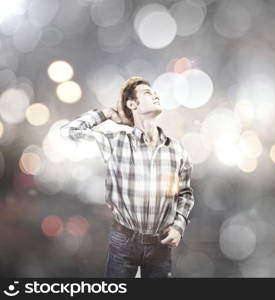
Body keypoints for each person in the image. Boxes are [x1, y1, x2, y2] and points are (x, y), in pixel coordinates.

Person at [60, 76, 195, 278]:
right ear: (132, 103)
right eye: (148, 93)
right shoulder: (116, 143)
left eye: (155, 93)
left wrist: (178, 226)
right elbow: (68, 131)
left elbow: (185, 193)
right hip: (124, 240)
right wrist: (105, 114)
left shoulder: (176, 149)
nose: (156, 95)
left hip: (160, 244)